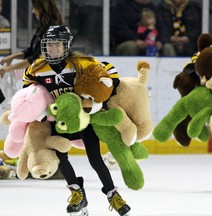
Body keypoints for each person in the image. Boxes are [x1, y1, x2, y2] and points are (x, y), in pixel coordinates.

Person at [22, 25, 131, 216]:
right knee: (60, 155)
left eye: (57, 44)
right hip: (59, 120)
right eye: (49, 45)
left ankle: (113, 194)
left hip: (83, 119)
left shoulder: (81, 62)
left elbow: (107, 72)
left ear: (67, 46)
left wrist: (101, 96)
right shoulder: (37, 68)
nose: (53, 49)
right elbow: (28, 91)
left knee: (95, 158)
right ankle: (76, 192)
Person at [0, 0, 62, 78]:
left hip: (50, 77)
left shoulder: (52, 30)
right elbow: (31, 51)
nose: (32, 11)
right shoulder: (42, 27)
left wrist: (10, 68)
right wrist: (12, 57)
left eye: (34, 8)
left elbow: (37, 58)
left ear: (41, 9)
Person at [110, 0, 175, 56]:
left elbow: (162, 28)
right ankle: (129, 69)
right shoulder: (122, 7)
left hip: (152, 44)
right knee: (131, 46)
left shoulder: (154, 8)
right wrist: (135, 40)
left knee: (167, 47)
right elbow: (119, 29)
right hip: (129, 42)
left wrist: (160, 41)